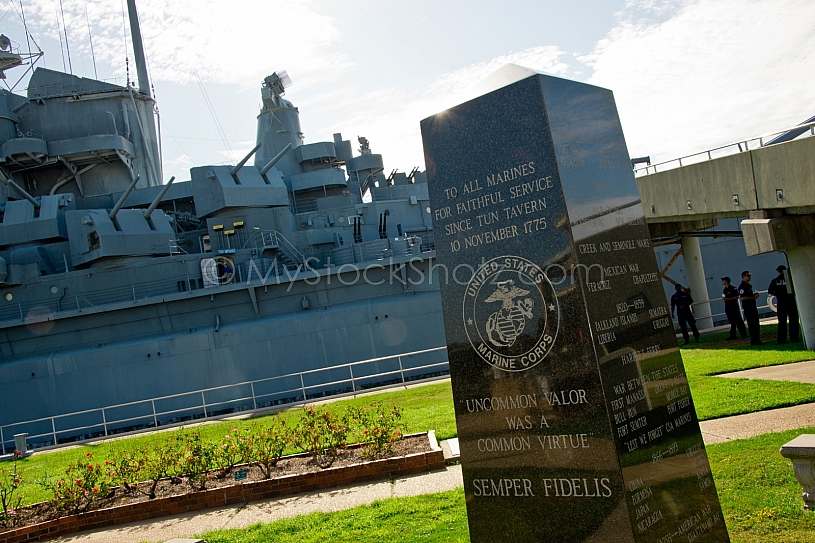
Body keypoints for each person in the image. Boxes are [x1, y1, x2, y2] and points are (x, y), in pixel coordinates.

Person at [767, 265, 800, 344]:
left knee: (782, 322)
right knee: (793, 320)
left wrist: (777, 294)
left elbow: (770, 291)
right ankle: (794, 337)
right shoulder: (790, 280)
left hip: (781, 303)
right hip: (791, 302)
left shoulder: (775, 281)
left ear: (778, 271)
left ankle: (781, 339)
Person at [738, 270, 762, 345]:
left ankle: (757, 340)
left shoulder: (748, 286)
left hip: (752, 307)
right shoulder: (742, 286)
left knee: (756, 324)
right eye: (748, 276)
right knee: (752, 325)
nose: (749, 277)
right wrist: (753, 297)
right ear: (743, 277)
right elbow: (743, 298)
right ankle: (754, 340)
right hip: (748, 309)